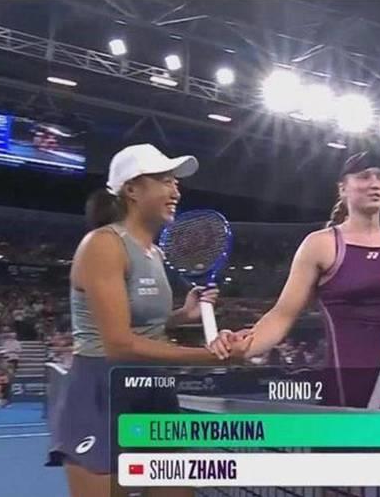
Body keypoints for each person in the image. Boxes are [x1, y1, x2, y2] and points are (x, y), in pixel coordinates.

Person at [46, 143, 252, 497]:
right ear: (132, 190)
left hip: (153, 390)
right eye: (165, 181)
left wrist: (182, 315)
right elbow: (119, 344)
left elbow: (141, 325)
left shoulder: (155, 253)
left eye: (175, 182)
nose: (176, 191)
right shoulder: (102, 245)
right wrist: (210, 356)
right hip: (101, 392)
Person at [209, 151, 380, 410]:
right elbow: (281, 316)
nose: (374, 183)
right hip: (347, 387)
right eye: (364, 176)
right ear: (343, 188)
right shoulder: (320, 245)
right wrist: (240, 346)